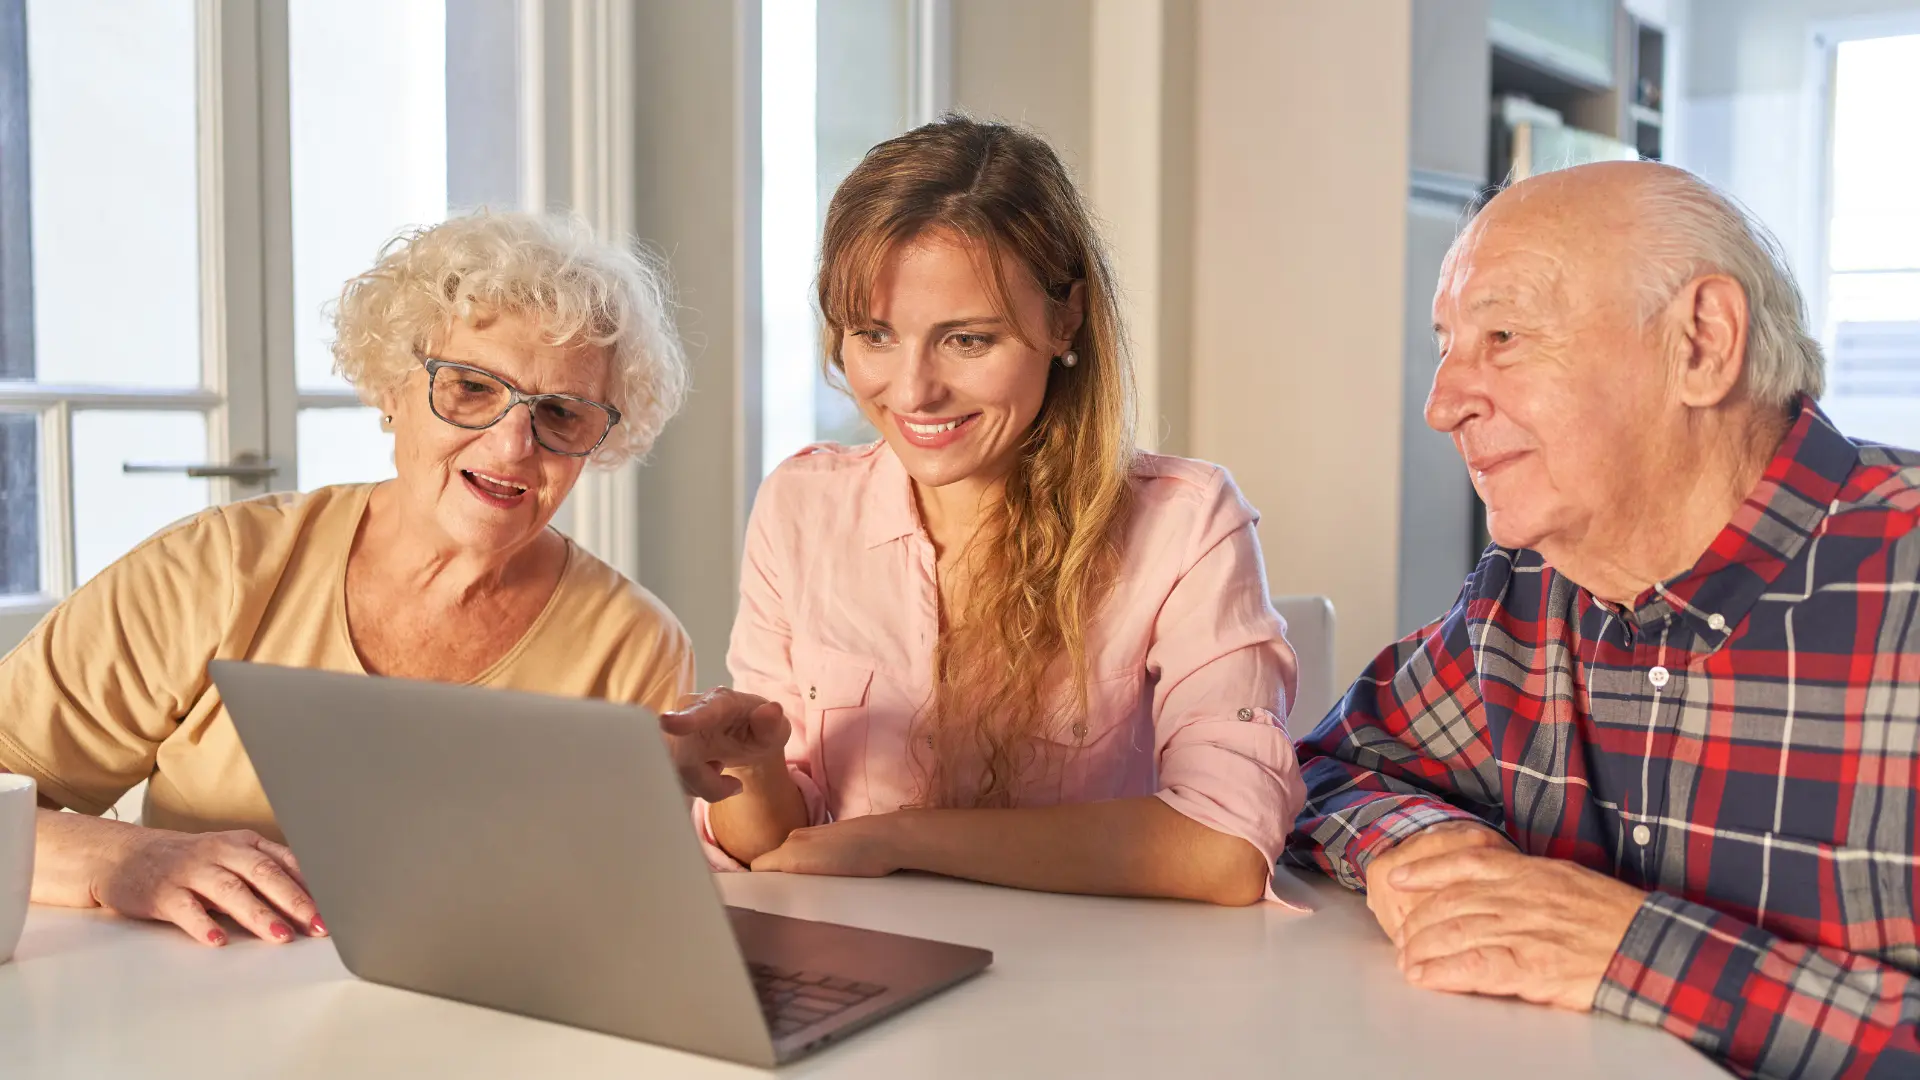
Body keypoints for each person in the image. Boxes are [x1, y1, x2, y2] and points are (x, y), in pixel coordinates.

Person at [1288, 161, 1920, 1077]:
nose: (1440, 406)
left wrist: (1642, 954)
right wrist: (1431, 852)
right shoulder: (1522, 597)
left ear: (1701, 343)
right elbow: (1328, 770)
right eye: (1446, 345)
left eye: (1503, 335)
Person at [0, 211, 699, 947]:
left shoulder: (633, 645)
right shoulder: (217, 570)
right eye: (471, 388)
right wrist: (129, 860)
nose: (513, 442)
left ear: (601, 440)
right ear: (393, 388)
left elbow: (627, 921)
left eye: (561, 411)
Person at [665, 115, 1304, 907]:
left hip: (1106, 990)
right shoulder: (802, 507)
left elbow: (1223, 849)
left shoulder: (1186, 523)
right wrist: (754, 768)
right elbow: (780, 850)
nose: (911, 391)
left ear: (1064, 318)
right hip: (874, 973)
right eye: (875, 335)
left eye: (967, 340)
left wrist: (899, 838)